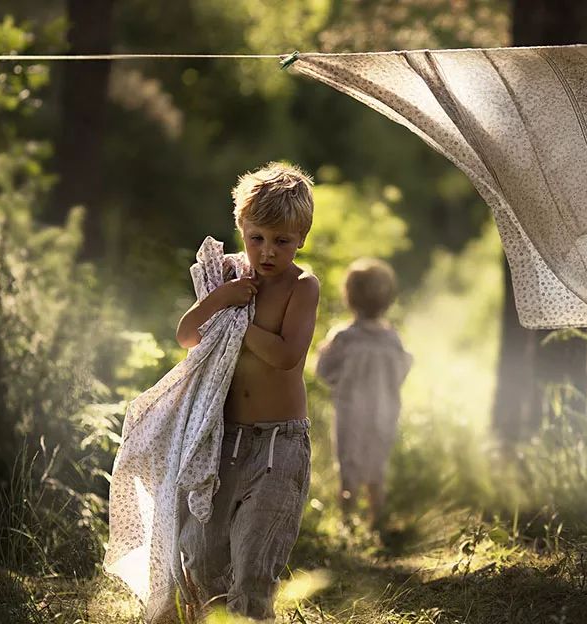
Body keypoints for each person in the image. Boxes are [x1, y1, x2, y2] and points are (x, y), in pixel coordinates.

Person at [174, 162, 319, 622]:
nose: (268, 251)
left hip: (279, 445)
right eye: (257, 238)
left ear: (301, 239)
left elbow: (285, 355)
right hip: (224, 442)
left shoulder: (302, 286)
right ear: (242, 229)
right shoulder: (229, 281)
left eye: (282, 241)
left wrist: (239, 322)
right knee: (203, 557)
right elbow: (187, 335)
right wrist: (221, 300)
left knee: (255, 562)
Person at [316, 258, 412, 531]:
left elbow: (324, 371)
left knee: (349, 464)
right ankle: (376, 521)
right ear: (389, 299)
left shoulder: (344, 337)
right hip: (385, 413)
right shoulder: (392, 339)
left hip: (351, 412)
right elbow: (402, 372)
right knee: (377, 465)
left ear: (349, 297)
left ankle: (347, 523)